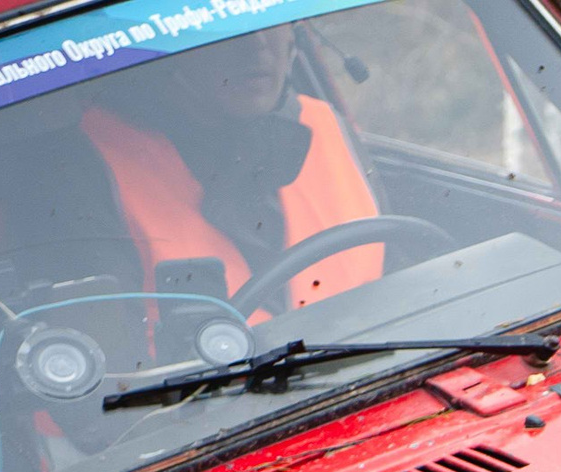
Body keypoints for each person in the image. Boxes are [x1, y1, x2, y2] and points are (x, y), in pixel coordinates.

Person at [80, 25, 382, 316]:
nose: (256, 44)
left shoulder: (324, 124)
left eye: (267, 17)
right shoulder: (89, 167)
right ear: (167, 50)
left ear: (294, 34)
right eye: (223, 28)